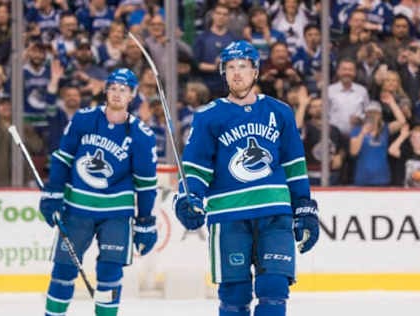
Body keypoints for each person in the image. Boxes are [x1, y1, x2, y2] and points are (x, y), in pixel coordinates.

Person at [173, 40, 319, 316]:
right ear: (223, 73)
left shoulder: (280, 112)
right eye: (230, 67)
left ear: (255, 72)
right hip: (229, 217)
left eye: (243, 66)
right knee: (234, 295)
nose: (237, 73)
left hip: (275, 214)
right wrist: (189, 196)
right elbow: (195, 168)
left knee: (274, 288)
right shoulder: (208, 116)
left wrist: (304, 208)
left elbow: (294, 167)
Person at [39, 68, 158, 316]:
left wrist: (145, 220)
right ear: (105, 91)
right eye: (112, 88)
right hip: (77, 208)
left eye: (123, 90)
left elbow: (146, 183)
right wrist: (53, 193)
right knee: (63, 269)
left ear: (132, 95)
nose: (116, 93)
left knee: (109, 273)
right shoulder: (83, 119)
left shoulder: (142, 136)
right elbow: (63, 158)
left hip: (116, 214)